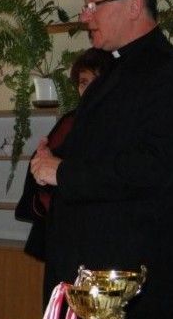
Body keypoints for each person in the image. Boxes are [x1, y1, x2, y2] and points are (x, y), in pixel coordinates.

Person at [30, 0, 173, 319]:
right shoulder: (113, 71)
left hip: (132, 288)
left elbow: (157, 168)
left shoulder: (172, 73)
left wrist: (62, 171)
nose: (85, 16)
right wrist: (49, 163)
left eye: (95, 4)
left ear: (134, 5)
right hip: (87, 281)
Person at [16, 48, 113, 261]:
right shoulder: (71, 121)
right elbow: (44, 170)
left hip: (106, 235)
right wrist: (42, 166)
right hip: (67, 233)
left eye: (96, 81)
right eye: (83, 82)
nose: (89, 89)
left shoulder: (123, 124)